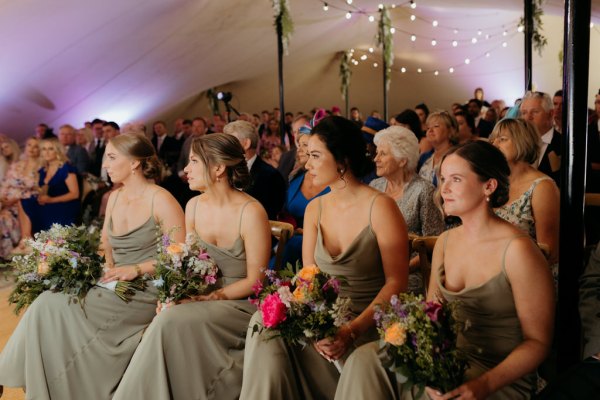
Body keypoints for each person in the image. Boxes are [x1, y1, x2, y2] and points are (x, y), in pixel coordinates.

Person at [336, 141, 555, 399]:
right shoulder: (446, 242)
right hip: (446, 359)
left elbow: (538, 343)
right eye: (442, 179)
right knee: (364, 360)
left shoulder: (519, 251)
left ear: (489, 185)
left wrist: (484, 384)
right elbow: (432, 320)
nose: (444, 190)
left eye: (456, 179)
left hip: (497, 375)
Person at [0, 133, 185, 399]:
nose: (105, 165)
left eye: (111, 157)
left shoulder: (161, 199)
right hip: (113, 282)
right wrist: (84, 266)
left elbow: (177, 255)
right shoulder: (114, 198)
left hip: (143, 290)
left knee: (52, 308)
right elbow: (106, 247)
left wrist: (135, 270)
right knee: (45, 303)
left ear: (134, 163)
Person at [240, 116, 409, 400]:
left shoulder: (381, 207)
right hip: (324, 320)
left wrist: (350, 331)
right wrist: (307, 318)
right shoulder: (315, 208)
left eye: (316, 155)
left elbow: (397, 282)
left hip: (368, 323)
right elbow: (310, 276)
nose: (307, 164)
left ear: (342, 160)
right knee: (264, 325)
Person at [113, 133, 271, 400]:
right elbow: (188, 262)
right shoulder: (194, 206)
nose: (185, 169)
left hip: (241, 305)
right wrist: (175, 296)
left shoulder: (251, 211)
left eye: (194, 161)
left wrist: (201, 299)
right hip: (204, 299)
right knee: (167, 317)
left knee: (168, 322)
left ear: (219, 168)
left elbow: (256, 282)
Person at [370, 126, 445, 292]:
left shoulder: (423, 191)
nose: (376, 159)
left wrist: (400, 270)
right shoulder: (375, 186)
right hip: (374, 271)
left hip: (409, 274)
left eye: (383, 154)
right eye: (376, 153)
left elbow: (435, 243)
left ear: (402, 160)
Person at [490, 118, 560, 275]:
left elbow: (549, 252)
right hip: (493, 268)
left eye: (502, 139)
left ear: (522, 141)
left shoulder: (542, 187)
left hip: (530, 273)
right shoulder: (494, 183)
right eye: (493, 139)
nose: (494, 145)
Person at [278, 124, 330, 266]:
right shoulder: (294, 176)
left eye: (305, 145)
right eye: (298, 145)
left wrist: (310, 232)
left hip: (321, 247)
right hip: (288, 241)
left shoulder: (333, 181)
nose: (299, 150)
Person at [224, 120, 286, 220]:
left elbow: (268, 214)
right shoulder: (223, 170)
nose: (225, 147)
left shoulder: (270, 176)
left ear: (246, 144)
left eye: (230, 142)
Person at [0, 138, 41, 257]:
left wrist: (16, 199)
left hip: (24, 205)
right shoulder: (16, 165)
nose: (31, 149)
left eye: (35, 146)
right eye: (29, 145)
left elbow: (38, 190)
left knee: (3, 220)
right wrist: (2, 200)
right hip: (6, 203)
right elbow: (5, 183)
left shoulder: (41, 168)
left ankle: (8, 254)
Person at [417, 111, 458, 187]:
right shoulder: (424, 157)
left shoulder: (457, 157)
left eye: (436, 126)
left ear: (451, 131)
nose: (430, 130)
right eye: (428, 128)